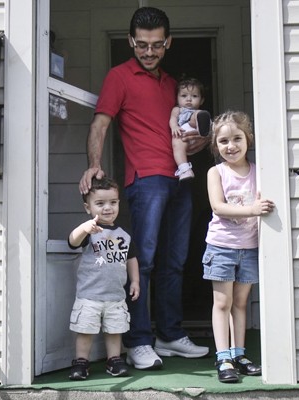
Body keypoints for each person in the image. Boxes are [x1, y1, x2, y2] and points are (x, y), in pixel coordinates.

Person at [78, 7, 210, 370]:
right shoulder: (119, 77)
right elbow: (100, 125)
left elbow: (182, 132)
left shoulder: (173, 86)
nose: (149, 52)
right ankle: (138, 340)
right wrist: (94, 164)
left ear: (167, 42)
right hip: (146, 181)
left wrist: (197, 144)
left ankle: (169, 333)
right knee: (145, 261)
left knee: (176, 261)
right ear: (131, 41)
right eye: (141, 45)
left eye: (156, 45)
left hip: (180, 179)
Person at [202, 111, 275, 383]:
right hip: (221, 245)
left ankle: (240, 354)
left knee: (241, 303)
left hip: (250, 247)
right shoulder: (216, 172)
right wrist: (252, 209)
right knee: (222, 302)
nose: (230, 146)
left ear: (249, 140)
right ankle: (223, 358)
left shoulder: (259, 171)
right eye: (223, 141)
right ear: (215, 145)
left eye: (236, 139)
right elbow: (218, 206)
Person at [67, 177, 141, 380]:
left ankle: (114, 360)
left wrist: (135, 281)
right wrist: (84, 228)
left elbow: (131, 258)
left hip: (116, 296)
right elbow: (72, 242)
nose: (108, 208)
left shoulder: (123, 234)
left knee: (115, 329)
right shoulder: (90, 231)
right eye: (100, 204)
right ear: (87, 207)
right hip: (90, 295)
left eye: (113, 202)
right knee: (85, 330)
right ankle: (81, 361)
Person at [169, 77, 212, 181]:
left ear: (201, 100)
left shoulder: (197, 111)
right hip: (183, 132)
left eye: (194, 96)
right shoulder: (177, 109)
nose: (189, 99)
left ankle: (204, 125)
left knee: (196, 115)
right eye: (184, 96)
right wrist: (174, 127)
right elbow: (172, 119)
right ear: (177, 98)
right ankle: (185, 169)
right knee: (176, 143)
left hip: (194, 128)